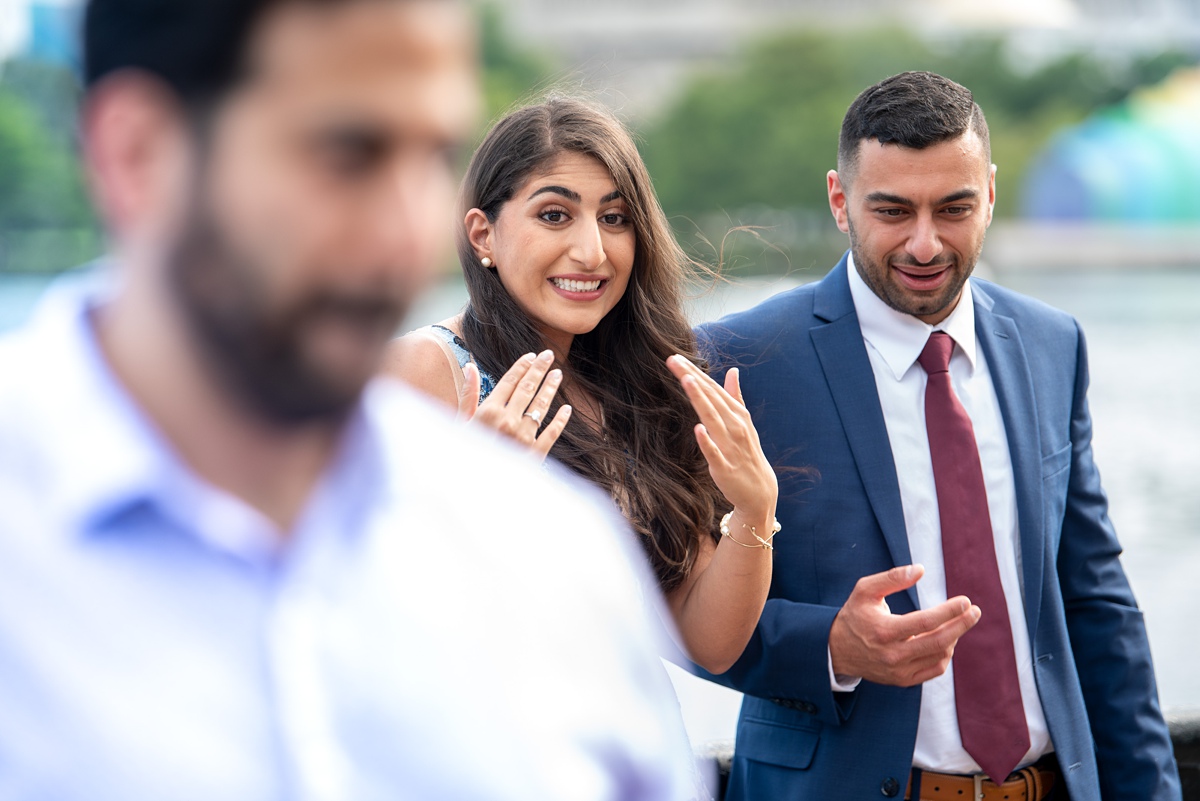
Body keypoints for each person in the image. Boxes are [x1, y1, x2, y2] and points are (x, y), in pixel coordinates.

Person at [0, 1, 700, 798]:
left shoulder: (557, 549)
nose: (409, 230)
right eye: (348, 154)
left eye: (432, 155)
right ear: (138, 155)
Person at [695, 71, 1181, 801]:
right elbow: (680, 604)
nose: (925, 244)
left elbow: (1096, 601)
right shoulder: (741, 360)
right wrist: (830, 646)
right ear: (839, 201)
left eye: (953, 208)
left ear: (988, 192)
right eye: (891, 210)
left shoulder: (1052, 344)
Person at [387, 96, 780, 676]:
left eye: (615, 218)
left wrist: (753, 508)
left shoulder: (642, 389)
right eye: (554, 215)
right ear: (482, 235)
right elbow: (359, 622)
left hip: (631, 752)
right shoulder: (426, 372)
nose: (592, 251)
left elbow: (708, 642)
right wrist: (474, 504)